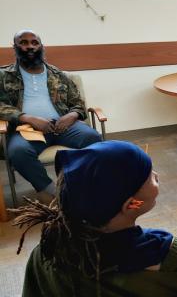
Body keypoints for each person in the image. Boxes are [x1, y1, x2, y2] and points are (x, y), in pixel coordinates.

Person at [11, 140, 177, 297]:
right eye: (149, 175)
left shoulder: (45, 251)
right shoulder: (174, 255)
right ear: (132, 204)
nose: (157, 176)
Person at [0, 29, 102, 202]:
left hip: (63, 125)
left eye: (34, 42)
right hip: (26, 128)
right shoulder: (3, 75)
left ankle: (82, 184)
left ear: (41, 46)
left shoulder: (58, 74)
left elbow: (77, 102)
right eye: (23, 42)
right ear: (15, 46)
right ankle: (54, 193)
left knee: (93, 138)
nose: (30, 46)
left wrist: (72, 115)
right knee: (18, 152)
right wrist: (28, 118)